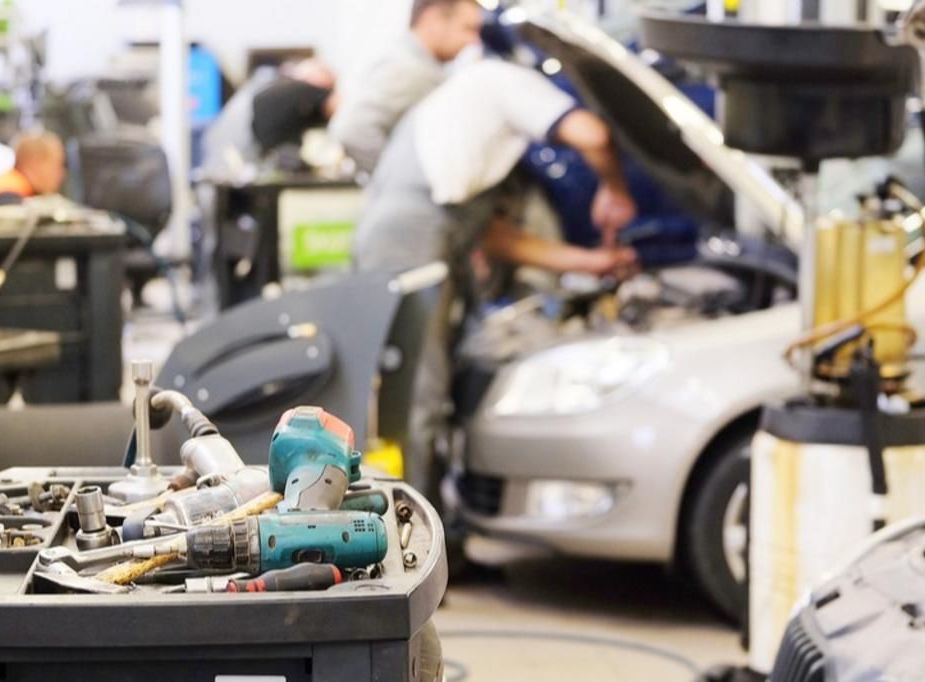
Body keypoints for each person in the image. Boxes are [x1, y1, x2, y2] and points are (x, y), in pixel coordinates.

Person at [355, 58, 638, 502]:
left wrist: (591, 263)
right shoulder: (505, 82)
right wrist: (614, 190)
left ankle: (432, 507)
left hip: (408, 235)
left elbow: (495, 237)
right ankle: (413, 522)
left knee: (431, 382)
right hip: (411, 241)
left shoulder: (465, 114)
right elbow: (594, 136)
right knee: (420, 390)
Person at [329, 0, 484, 175]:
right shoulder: (408, 70)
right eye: (468, 28)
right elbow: (352, 129)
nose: (474, 40)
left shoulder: (412, 63)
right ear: (432, 18)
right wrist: (401, 181)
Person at [200, 58, 338, 179]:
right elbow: (335, 103)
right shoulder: (294, 89)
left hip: (222, 165)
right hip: (226, 170)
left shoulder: (264, 88)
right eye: (328, 86)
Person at [0, 131, 66, 208]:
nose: (62, 174)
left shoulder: (9, 184)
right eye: (57, 165)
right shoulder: (8, 196)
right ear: (34, 162)